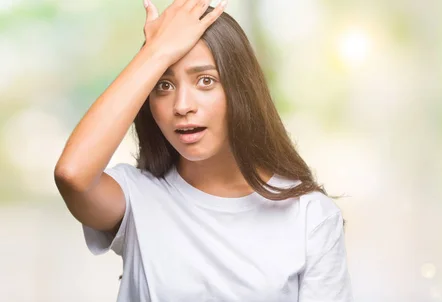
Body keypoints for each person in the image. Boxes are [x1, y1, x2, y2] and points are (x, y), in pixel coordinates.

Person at [53, 0, 353, 301]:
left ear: (241, 90)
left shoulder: (309, 217)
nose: (182, 106)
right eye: (163, 85)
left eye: (205, 81)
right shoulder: (135, 198)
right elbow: (72, 174)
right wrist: (155, 53)